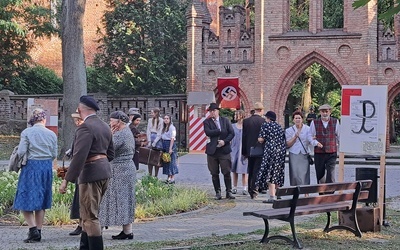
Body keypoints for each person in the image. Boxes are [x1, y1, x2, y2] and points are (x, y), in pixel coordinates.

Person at [59, 95, 115, 250]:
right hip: (103, 172)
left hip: (90, 174)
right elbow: (111, 154)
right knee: (86, 215)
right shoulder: (104, 126)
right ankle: (84, 247)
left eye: (78, 108)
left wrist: (66, 180)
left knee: (90, 217)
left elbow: (79, 156)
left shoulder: (85, 127)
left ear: (82, 109)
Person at [13, 108, 57, 243]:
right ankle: (38, 230)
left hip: (31, 167)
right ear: (44, 119)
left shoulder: (27, 132)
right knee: (42, 200)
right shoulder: (51, 134)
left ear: (32, 119)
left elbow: (21, 152)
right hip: (46, 167)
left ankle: (32, 230)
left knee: (25, 198)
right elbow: (54, 155)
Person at [99, 111, 136, 240]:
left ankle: (98, 231)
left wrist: (109, 133)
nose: (110, 122)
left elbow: (106, 147)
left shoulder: (121, 134)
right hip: (126, 169)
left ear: (119, 122)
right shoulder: (127, 132)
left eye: (112, 120)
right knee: (125, 199)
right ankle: (127, 231)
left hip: (120, 170)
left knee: (107, 199)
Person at [203, 102, 235, 200]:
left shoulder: (225, 120)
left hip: (224, 150)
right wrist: (219, 130)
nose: (212, 113)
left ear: (217, 111)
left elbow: (231, 133)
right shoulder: (207, 122)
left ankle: (229, 191)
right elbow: (208, 132)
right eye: (210, 111)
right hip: (212, 151)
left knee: (226, 171)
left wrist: (224, 141)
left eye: (213, 111)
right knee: (214, 173)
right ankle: (218, 192)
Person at [256, 111, 286, 203]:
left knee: (270, 173)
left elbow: (261, 139)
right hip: (280, 152)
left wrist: (259, 139)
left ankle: (272, 196)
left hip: (270, 152)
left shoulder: (266, 125)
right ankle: (278, 194)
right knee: (277, 172)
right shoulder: (279, 127)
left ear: (268, 118)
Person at [309, 104, 338, 184]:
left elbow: (339, 135)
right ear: (320, 112)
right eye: (323, 111)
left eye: (326, 111)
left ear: (330, 112)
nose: (325, 113)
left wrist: (339, 145)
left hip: (331, 152)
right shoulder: (314, 122)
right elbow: (310, 136)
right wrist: (315, 143)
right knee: (320, 174)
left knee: (331, 174)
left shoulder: (335, 122)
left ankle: (330, 193)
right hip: (319, 153)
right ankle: (321, 192)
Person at [242, 102, 265, 199]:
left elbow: (244, 137)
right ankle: (254, 190)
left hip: (249, 150)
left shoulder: (246, 121)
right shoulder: (264, 121)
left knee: (250, 170)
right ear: (261, 110)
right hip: (260, 150)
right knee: (257, 170)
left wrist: (244, 152)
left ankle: (250, 189)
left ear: (254, 110)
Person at [285, 111, 314, 187]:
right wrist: (295, 137)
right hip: (294, 153)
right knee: (295, 174)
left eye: (299, 118)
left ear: (302, 119)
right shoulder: (289, 130)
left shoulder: (308, 129)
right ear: (293, 120)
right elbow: (288, 144)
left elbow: (310, 141)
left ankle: (305, 191)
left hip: (304, 152)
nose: (298, 120)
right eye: (296, 118)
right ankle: (295, 190)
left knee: (304, 173)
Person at [68, 110, 84, 236]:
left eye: (78, 120)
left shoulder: (83, 130)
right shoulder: (79, 131)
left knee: (82, 196)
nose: (76, 122)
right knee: (79, 196)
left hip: (83, 168)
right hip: (80, 168)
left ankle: (82, 224)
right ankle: (80, 223)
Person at [230, 110, 248, 195]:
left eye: (236, 115)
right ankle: (234, 187)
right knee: (234, 169)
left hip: (243, 150)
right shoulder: (232, 126)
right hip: (234, 149)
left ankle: (244, 187)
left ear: (241, 116)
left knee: (244, 170)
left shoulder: (246, 126)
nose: (235, 116)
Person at [161, 114, 179, 183]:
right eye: (164, 118)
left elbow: (172, 138)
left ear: (170, 119)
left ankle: (173, 178)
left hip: (170, 144)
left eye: (167, 118)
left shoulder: (172, 127)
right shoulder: (164, 127)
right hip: (164, 144)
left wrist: (170, 148)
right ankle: (168, 177)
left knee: (172, 161)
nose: (165, 120)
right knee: (166, 160)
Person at [146, 108, 163, 177]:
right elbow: (148, 130)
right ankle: (150, 175)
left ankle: (156, 175)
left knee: (156, 157)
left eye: (152, 112)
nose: (151, 114)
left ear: (156, 113)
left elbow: (160, 132)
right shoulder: (150, 120)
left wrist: (155, 142)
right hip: (151, 136)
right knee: (150, 156)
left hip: (157, 138)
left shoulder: (161, 120)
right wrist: (149, 140)